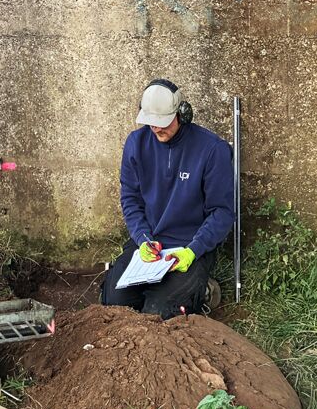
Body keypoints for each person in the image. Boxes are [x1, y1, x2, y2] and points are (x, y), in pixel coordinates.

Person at [100, 79, 237, 318]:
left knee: (160, 313)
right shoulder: (135, 144)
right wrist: (143, 240)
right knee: (114, 305)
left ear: (183, 114)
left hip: (189, 245)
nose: (156, 129)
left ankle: (203, 290)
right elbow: (130, 199)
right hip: (149, 243)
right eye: (151, 123)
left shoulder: (213, 150)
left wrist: (193, 250)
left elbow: (222, 212)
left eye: (162, 123)